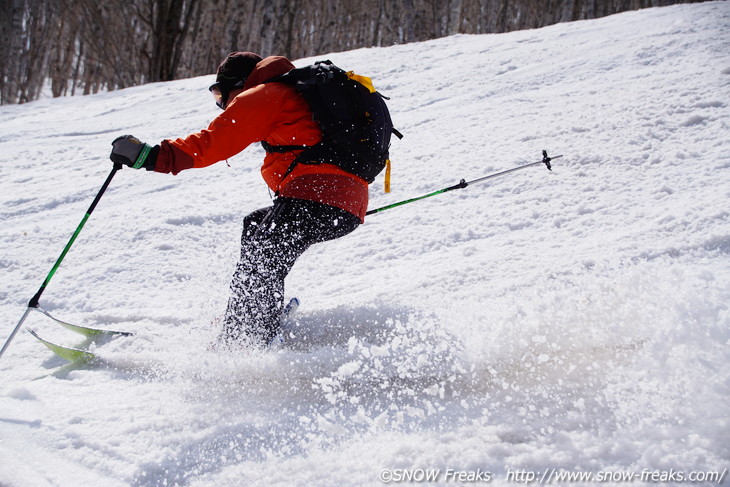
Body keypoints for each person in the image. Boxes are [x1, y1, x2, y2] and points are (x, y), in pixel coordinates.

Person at [109, 52, 367, 347]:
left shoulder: (265, 94)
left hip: (317, 196)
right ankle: (252, 319)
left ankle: (247, 341)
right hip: (342, 201)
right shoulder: (297, 94)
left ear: (240, 84)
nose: (222, 103)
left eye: (220, 93)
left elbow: (212, 143)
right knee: (257, 226)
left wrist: (151, 156)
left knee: (264, 255)